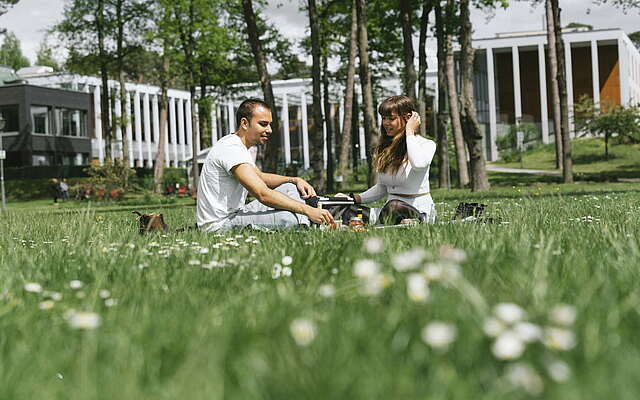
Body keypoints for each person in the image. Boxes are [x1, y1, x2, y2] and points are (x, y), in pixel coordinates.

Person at [196, 99, 333, 232]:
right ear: (244, 123)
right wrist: (307, 210)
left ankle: (314, 214)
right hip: (220, 225)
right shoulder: (231, 149)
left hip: (236, 213)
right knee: (288, 218)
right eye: (263, 124)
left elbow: (260, 177)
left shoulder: (238, 146)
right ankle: (315, 219)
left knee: (291, 187)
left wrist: (295, 179)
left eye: (269, 124)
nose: (269, 130)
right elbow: (262, 194)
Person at [339, 95, 437, 225]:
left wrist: (409, 132)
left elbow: (418, 164)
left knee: (394, 205)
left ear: (408, 118)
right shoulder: (384, 149)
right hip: (387, 211)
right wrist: (353, 199)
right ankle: (387, 222)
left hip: (418, 210)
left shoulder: (426, 145)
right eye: (384, 118)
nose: (386, 123)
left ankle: (415, 221)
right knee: (346, 210)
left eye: (391, 118)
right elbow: (383, 187)